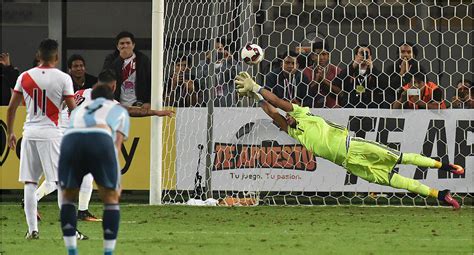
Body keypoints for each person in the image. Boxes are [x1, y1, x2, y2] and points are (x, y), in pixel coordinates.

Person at [234, 71, 464, 209]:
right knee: (399, 182)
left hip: (354, 145)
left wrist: (257, 87)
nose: (288, 119)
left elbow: (277, 101)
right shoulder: (294, 132)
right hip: (352, 165)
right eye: (287, 120)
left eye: (289, 116)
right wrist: (255, 97)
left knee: (402, 158)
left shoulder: (303, 112)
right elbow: (273, 112)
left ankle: (444, 165)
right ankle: (441, 195)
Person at [36, 69, 174, 222]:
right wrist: (155, 112)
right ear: (114, 86)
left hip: (59, 135)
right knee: (59, 180)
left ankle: (80, 211)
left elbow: (62, 105)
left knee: (72, 176)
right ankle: (36, 202)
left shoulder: (81, 92)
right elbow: (130, 111)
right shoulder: (106, 101)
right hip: (72, 138)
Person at [6, 39, 77, 239]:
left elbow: (11, 108)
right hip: (52, 134)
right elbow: (73, 109)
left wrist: (11, 132)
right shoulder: (63, 78)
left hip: (29, 133)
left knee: (30, 182)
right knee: (60, 182)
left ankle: (32, 230)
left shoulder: (24, 76)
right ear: (56, 56)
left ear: (38, 56)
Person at [58, 84, 129, 255]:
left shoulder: (78, 110)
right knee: (111, 199)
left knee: (67, 197)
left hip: (70, 140)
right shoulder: (117, 109)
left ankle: (72, 251)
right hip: (100, 139)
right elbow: (116, 145)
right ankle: (108, 252)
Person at [103, 31, 151, 107]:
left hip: (139, 104)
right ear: (117, 46)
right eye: (122, 43)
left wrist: (149, 101)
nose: (125, 46)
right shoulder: (111, 58)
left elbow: (150, 81)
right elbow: (105, 77)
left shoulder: (143, 59)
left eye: (128, 43)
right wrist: (120, 58)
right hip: (117, 104)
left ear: (133, 45)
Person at [195, 38, 241, 106]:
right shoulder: (203, 64)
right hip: (209, 106)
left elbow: (239, 75)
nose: (220, 48)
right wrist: (208, 60)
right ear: (209, 52)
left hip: (228, 105)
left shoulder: (229, 64)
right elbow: (200, 80)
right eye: (217, 47)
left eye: (222, 47)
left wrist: (231, 60)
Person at [302, 42, 342, 108]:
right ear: (312, 56)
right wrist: (316, 81)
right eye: (317, 54)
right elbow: (304, 94)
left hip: (333, 110)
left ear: (328, 56)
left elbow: (341, 93)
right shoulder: (306, 71)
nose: (321, 57)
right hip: (313, 109)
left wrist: (324, 81)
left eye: (324, 54)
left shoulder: (337, 71)